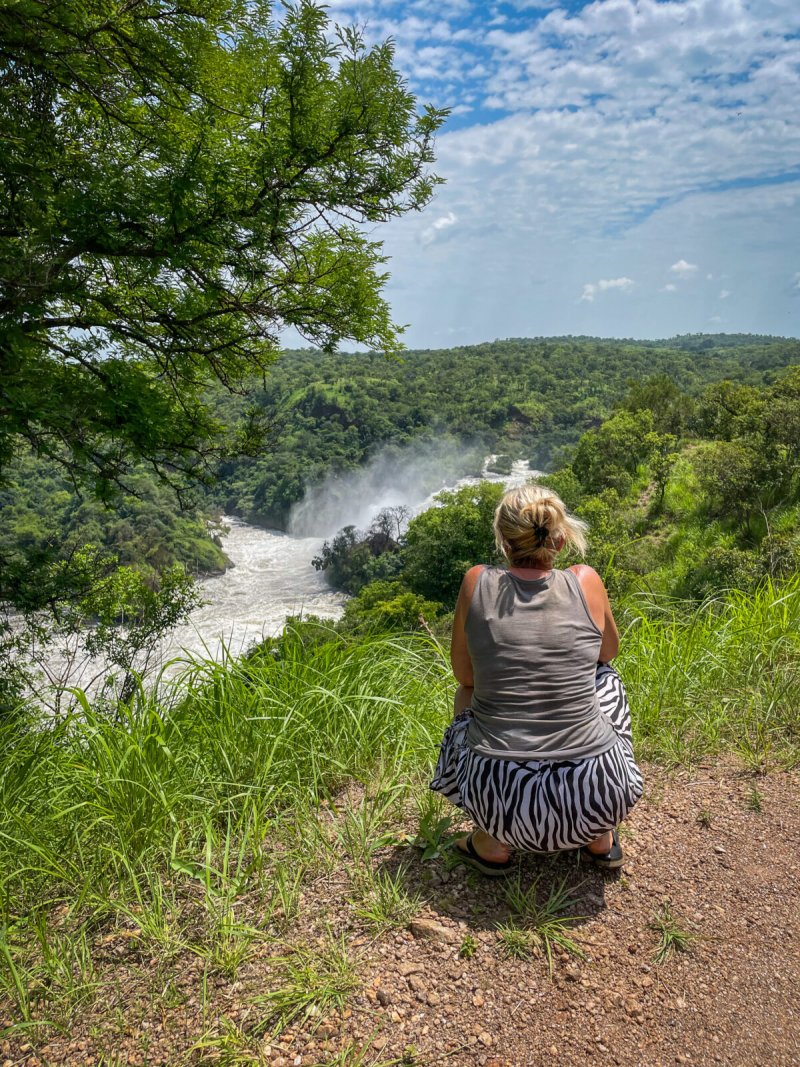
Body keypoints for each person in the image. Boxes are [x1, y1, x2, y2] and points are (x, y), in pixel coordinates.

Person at [430, 484, 643, 874]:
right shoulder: (585, 581)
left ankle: (491, 843)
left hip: (500, 801)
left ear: (505, 542)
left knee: (467, 693)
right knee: (605, 677)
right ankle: (599, 839)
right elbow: (607, 652)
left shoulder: (476, 582)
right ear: (560, 539)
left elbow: (465, 675)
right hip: (599, 794)